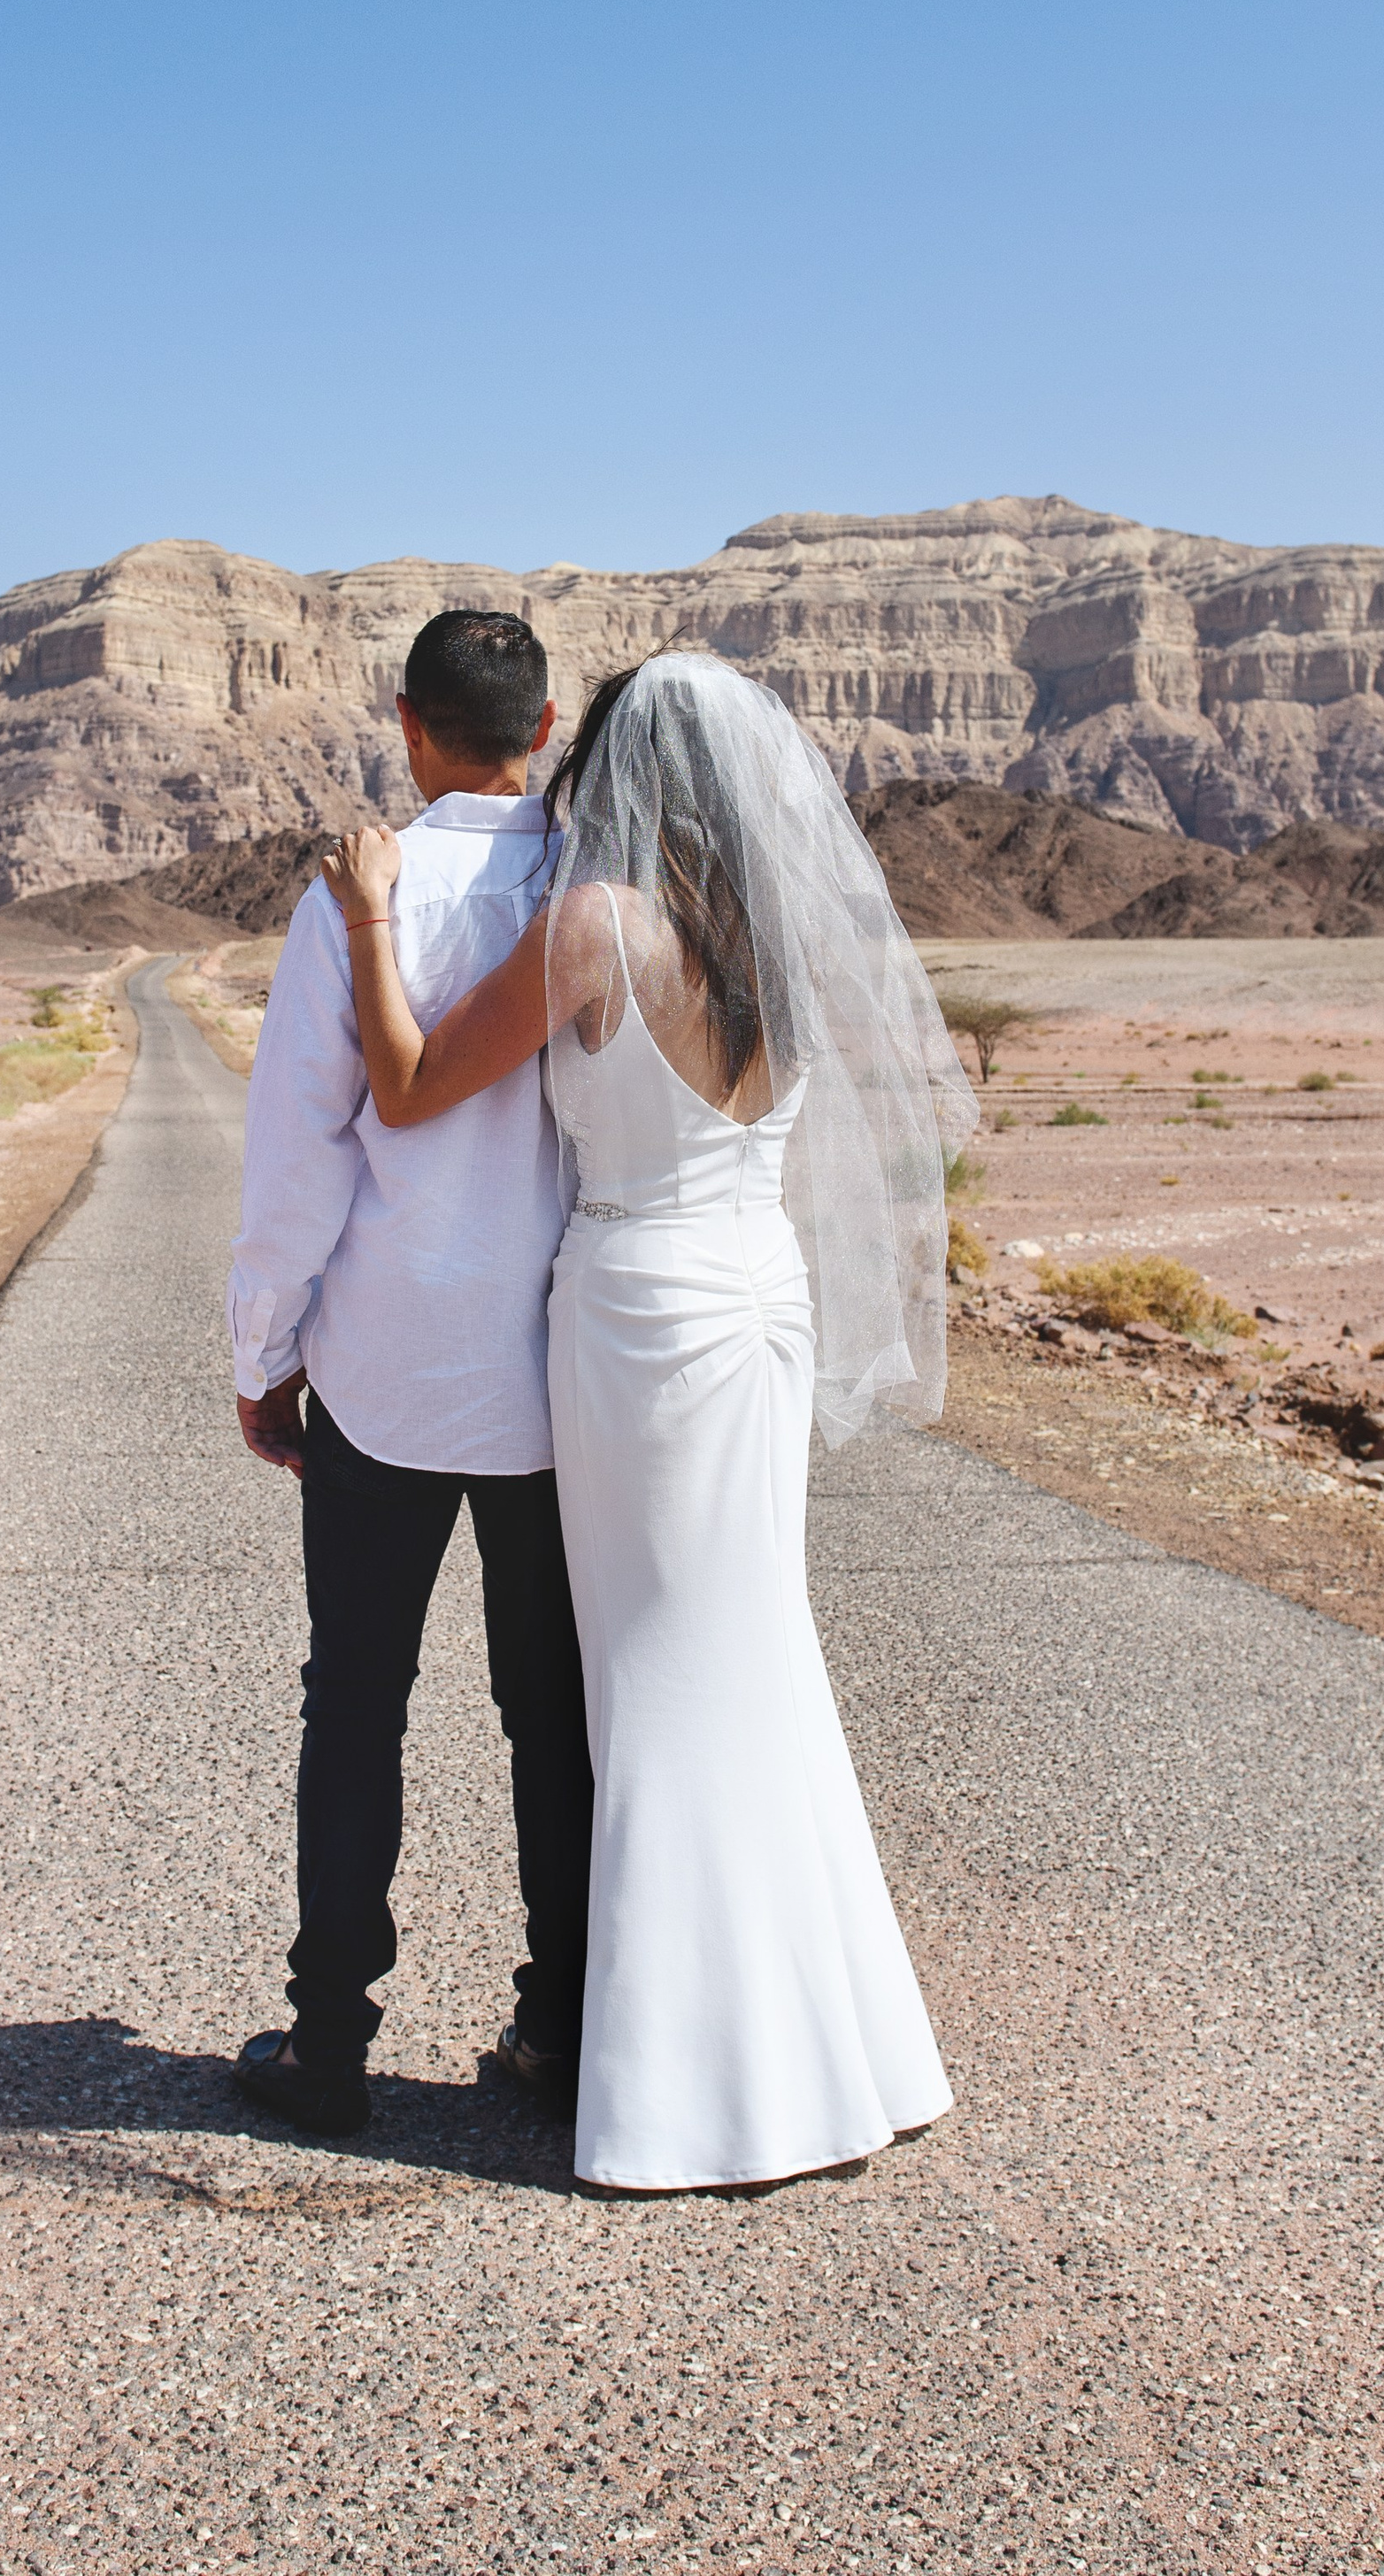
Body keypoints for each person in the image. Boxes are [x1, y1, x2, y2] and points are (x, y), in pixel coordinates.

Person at [317, 650, 976, 2195]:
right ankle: (843, 2048)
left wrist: (362, 912)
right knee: (753, 1649)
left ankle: (688, 2092)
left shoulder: (598, 927)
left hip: (641, 1316)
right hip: (760, 1305)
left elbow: (408, 1087)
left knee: (658, 1679)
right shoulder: (778, 936)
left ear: (610, 771)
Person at [225, 609, 596, 2140]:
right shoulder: (603, 889)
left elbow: (298, 1159)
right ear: (551, 722)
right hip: (562, 1382)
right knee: (557, 1715)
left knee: (355, 1702)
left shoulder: (355, 896)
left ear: (409, 723)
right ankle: (567, 2028)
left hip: (382, 1373)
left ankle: (329, 2047)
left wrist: (267, 1356)